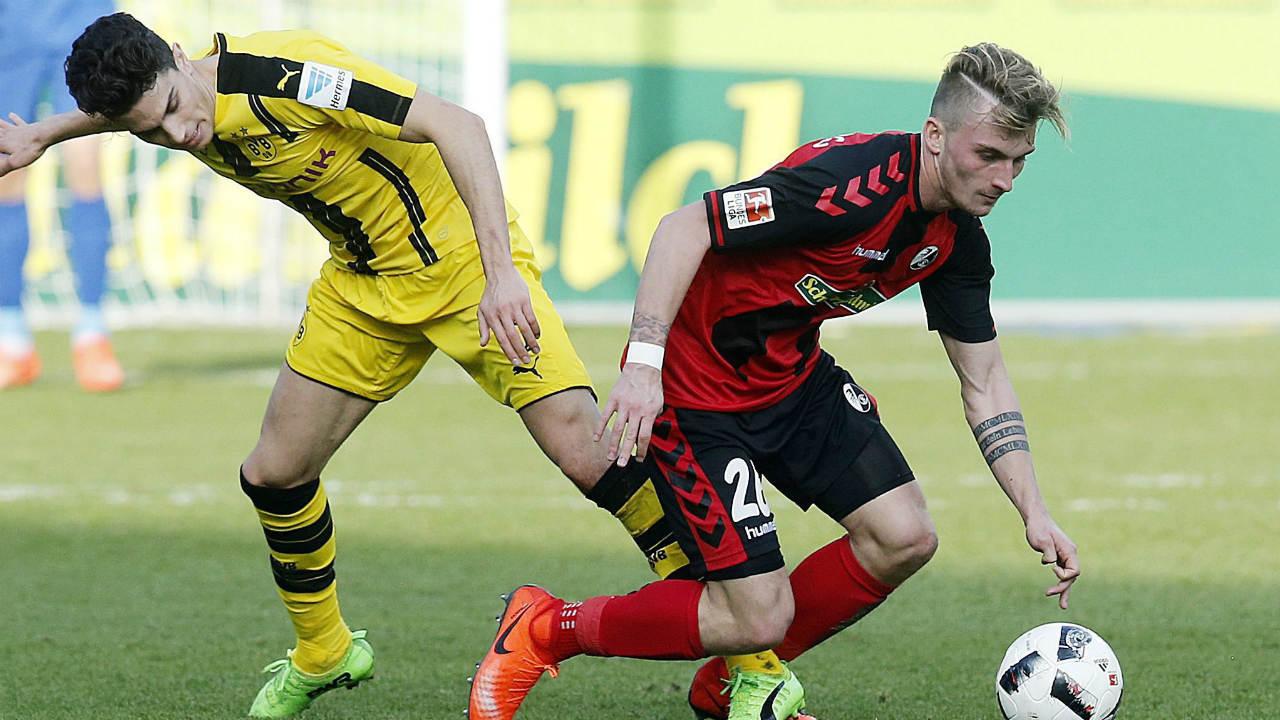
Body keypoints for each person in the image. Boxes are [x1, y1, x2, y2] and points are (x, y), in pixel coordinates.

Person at [0, 12, 687, 719]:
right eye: (152, 130)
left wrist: (501, 274)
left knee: (587, 451)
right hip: (362, 285)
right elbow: (133, 110)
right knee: (274, 471)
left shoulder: (287, 74)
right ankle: (326, 653)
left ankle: (742, 647)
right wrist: (41, 136)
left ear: (181, 57)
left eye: (174, 109)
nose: (178, 135)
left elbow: (460, 125)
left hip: (461, 264)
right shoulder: (163, 99)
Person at [467, 43, 1082, 720]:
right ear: (935, 136)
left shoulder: (958, 238)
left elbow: (984, 380)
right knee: (755, 617)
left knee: (904, 536)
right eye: (990, 155)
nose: (1005, 179)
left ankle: (734, 684)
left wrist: (1034, 510)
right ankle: (544, 627)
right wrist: (644, 367)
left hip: (792, 378)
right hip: (695, 390)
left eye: (1019, 162)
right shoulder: (847, 184)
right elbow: (683, 226)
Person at [0, 0, 124, 392]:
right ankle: (11, 338)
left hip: (82, 25)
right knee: (7, 172)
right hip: (13, 30)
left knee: (85, 164)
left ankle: (92, 334)